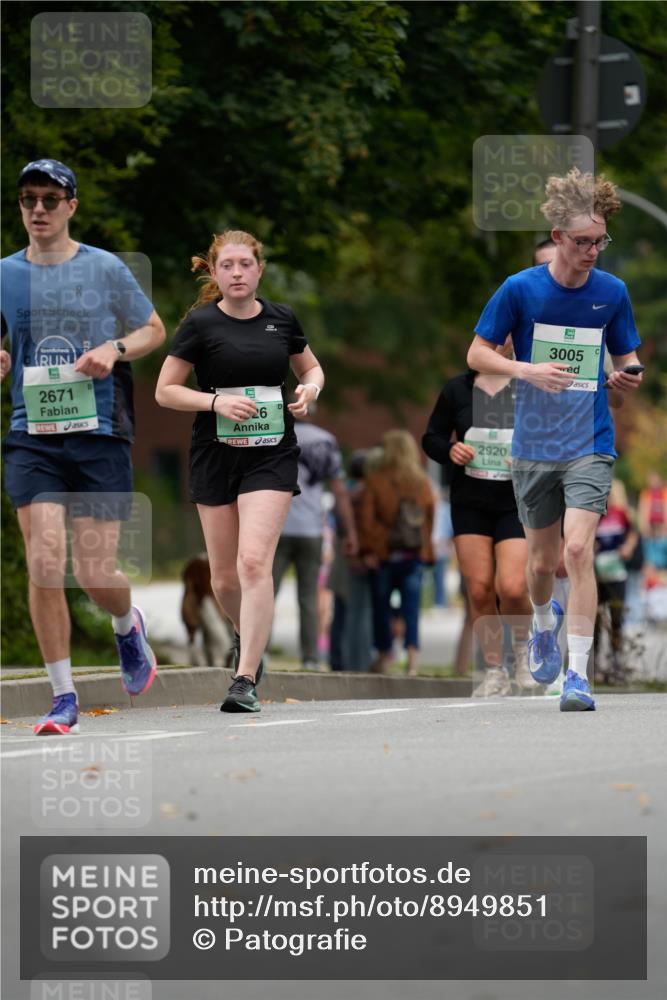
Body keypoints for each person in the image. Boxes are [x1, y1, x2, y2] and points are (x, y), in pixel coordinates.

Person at [467, 167, 643, 712]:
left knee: (578, 550)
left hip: (590, 440)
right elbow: (477, 354)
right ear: (558, 237)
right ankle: (544, 622)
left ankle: (578, 676)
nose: (592, 252)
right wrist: (527, 370)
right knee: (541, 566)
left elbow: (627, 360)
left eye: (600, 241)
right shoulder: (520, 289)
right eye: (583, 242)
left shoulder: (612, 292)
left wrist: (625, 379)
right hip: (535, 444)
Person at [0, 158, 166, 735]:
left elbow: (153, 330)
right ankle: (62, 696)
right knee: (45, 563)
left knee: (94, 573)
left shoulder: (104, 267)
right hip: (33, 435)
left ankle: (126, 625)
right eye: (28, 199)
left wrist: (113, 349)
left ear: (71, 205)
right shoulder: (5, 273)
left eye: (50, 199)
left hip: (100, 431)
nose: (38, 209)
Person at [155, 229, 324, 713]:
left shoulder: (281, 319)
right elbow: (165, 391)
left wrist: (310, 390)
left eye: (245, 264)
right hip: (214, 452)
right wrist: (216, 403)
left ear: (259, 270)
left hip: (270, 453)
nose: (236, 273)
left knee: (253, 563)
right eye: (227, 265)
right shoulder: (200, 324)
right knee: (225, 580)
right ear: (214, 271)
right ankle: (246, 632)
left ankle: (244, 677)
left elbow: (311, 369)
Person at [423, 340, 540, 697]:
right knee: (478, 588)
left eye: (505, 336)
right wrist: (450, 450)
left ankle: (523, 652)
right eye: (490, 336)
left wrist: (528, 457)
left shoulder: (527, 387)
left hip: (515, 502)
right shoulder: (458, 389)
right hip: (470, 502)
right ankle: (494, 670)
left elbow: (550, 438)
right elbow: (431, 438)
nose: (498, 342)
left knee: (513, 587)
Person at [272, 413, 357, 670]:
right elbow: (339, 491)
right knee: (309, 597)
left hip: (277, 528)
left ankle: (257, 653)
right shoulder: (326, 440)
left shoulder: (274, 434)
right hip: (311, 530)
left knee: (265, 593)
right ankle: (310, 658)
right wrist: (350, 532)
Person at [359, 430, 434, 677]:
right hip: (414, 555)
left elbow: (367, 520)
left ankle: (383, 657)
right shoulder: (422, 482)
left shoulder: (375, 480)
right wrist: (426, 550)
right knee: (411, 609)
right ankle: (412, 660)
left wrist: (371, 549)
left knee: (381, 608)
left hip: (384, 556)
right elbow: (428, 519)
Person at [593, 478, 639, 683]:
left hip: (617, 573)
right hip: (596, 573)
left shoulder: (621, 514)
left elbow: (634, 533)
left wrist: (628, 547)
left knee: (617, 617)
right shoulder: (595, 513)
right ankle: (594, 663)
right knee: (595, 619)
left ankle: (616, 661)